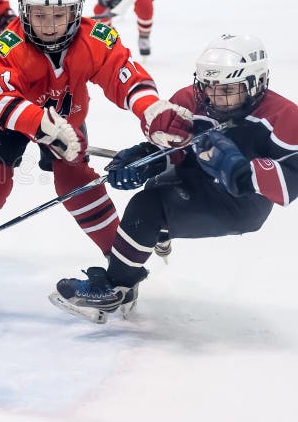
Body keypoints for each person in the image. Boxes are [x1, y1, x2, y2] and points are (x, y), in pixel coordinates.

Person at [0, 0, 193, 316]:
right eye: (39, 15)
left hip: (67, 115)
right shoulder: (6, 47)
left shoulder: (95, 37)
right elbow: (3, 103)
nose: (49, 25)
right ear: (24, 10)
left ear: (76, 11)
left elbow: (124, 74)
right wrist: (44, 127)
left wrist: (151, 109)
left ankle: (120, 265)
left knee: (76, 177)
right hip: (9, 117)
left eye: (59, 14)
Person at [50, 34, 298, 323]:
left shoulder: (283, 117)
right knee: (156, 188)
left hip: (241, 206)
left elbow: (290, 183)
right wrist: (144, 160)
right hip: (192, 181)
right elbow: (175, 149)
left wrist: (243, 173)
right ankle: (159, 236)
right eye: (209, 87)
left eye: (228, 89)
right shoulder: (190, 101)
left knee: (148, 207)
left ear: (256, 83)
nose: (215, 98)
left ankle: (116, 287)